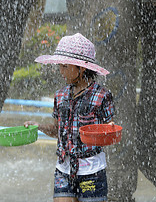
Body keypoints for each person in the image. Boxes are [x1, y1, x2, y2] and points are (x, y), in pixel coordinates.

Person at [24, 33, 115, 202]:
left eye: (65, 66)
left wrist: (107, 132)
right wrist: (39, 126)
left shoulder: (102, 96)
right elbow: (56, 130)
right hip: (64, 169)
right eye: (59, 66)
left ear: (81, 68)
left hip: (91, 171)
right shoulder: (60, 95)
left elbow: (109, 131)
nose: (61, 71)